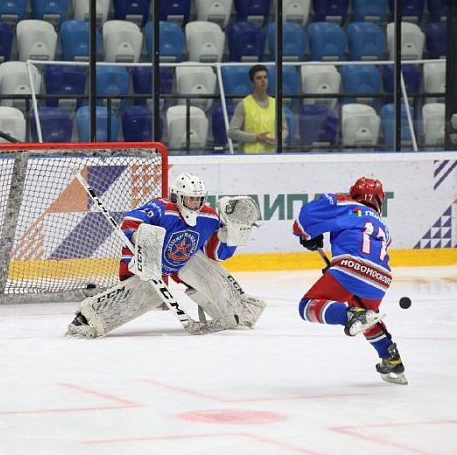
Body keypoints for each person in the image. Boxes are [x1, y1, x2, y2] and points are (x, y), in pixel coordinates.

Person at [66, 173, 266, 338]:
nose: (195, 203)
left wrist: (225, 237)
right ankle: (89, 317)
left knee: (207, 270)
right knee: (148, 292)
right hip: (144, 257)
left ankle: (235, 312)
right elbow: (131, 220)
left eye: (198, 199)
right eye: (190, 198)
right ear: (177, 197)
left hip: (180, 262)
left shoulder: (208, 217)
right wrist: (139, 235)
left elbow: (214, 254)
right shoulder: (162, 208)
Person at [292, 177, 407, 385]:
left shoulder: (344, 204)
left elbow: (306, 216)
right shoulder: (383, 227)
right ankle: (392, 358)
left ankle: (351, 315)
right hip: (381, 277)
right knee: (368, 317)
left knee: (307, 306)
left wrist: (307, 235)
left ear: (353, 194)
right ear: (380, 202)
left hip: (351, 267)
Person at [228, 64, 288, 154]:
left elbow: (285, 129)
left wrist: (279, 139)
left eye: (265, 77)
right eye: (259, 78)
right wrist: (255, 137)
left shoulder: (276, 104)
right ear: (252, 82)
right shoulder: (244, 104)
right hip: (249, 156)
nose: (263, 80)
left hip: (272, 155)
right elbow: (232, 132)